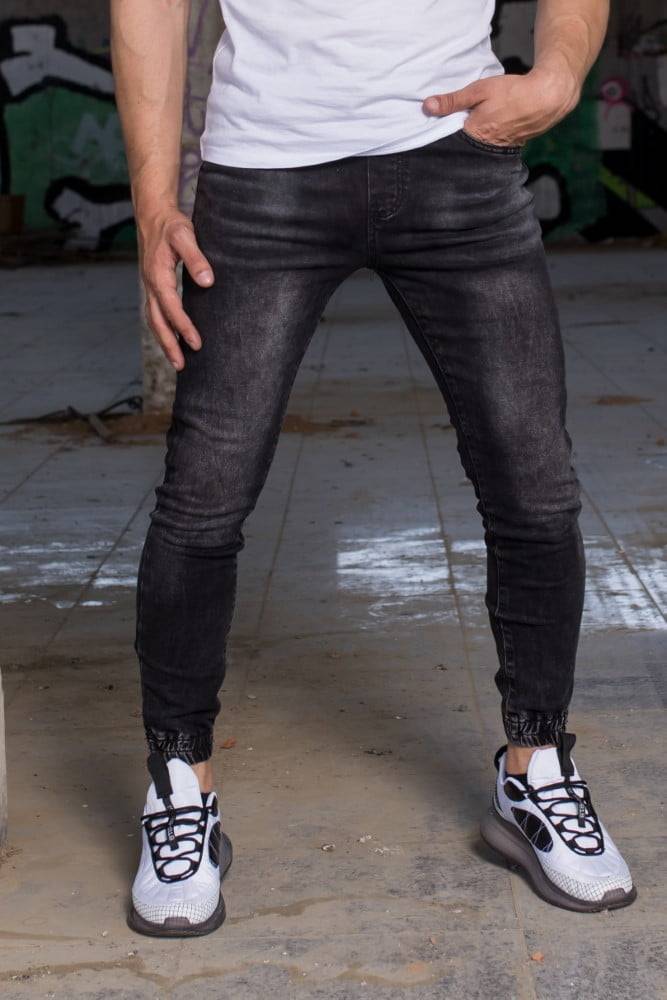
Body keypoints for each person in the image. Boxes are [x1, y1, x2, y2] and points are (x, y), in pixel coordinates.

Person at [111, 0, 636, 937]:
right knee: (202, 502)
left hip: (456, 156)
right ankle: (179, 783)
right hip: (263, 168)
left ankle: (535, 771)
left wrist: (558, 76)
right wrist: (155, 202)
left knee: (535, 490)